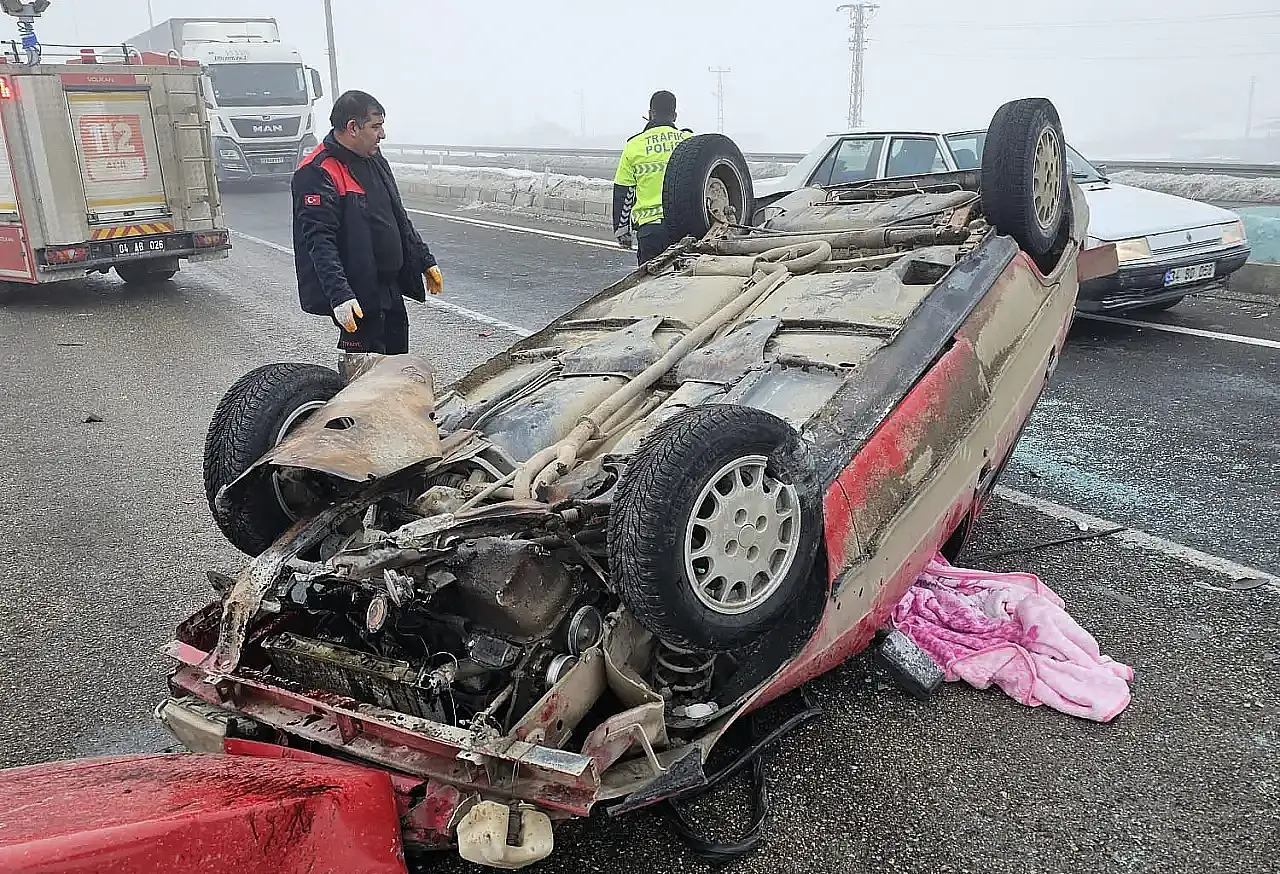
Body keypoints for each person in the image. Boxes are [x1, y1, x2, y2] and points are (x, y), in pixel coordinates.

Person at [292, 90, 443, 367]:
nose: (382, 134)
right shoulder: (318, 171)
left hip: (389, 288)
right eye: (376, 126)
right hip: (357, 294)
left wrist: (424, 259)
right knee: (366, 377)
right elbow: (319, 241)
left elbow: (397, 216)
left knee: (397, 366)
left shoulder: (374, 159)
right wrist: (340, 295)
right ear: (353, 127)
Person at [612, 90, 692, 264]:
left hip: (651, 231)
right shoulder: (689, 141)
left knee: (651, 278)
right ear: (675, 116)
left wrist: (622, 230)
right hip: (686, 229)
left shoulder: (634, 145)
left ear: (650, 114)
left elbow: (624, 191)